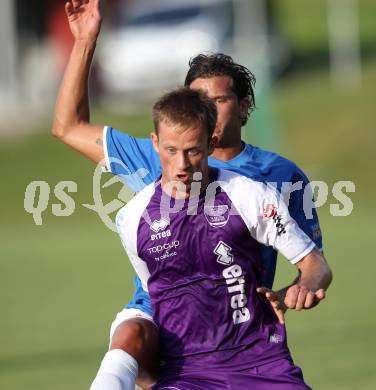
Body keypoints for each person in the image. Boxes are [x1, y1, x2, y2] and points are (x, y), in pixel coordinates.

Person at [53, 1, 329, 388]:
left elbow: (314, 266)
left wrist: (295, 292)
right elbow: (68, 126)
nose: (209, 112)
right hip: (161, 316)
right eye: (199, 101)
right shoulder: (159, 156)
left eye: (219, 100)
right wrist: (84, 40)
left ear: (244, 105)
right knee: (129, 336)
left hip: (236, 325)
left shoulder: (277, 177)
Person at [113, 87, 331, 389]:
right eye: (171, 150)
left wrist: (304, 286)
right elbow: (158, 297)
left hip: (263, 363)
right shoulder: (132, 219)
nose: (182, 165)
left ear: (211, 143)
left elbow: (315, 265)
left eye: (193, 150)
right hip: (187, 372)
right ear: (155, 143)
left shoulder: (249, 195)